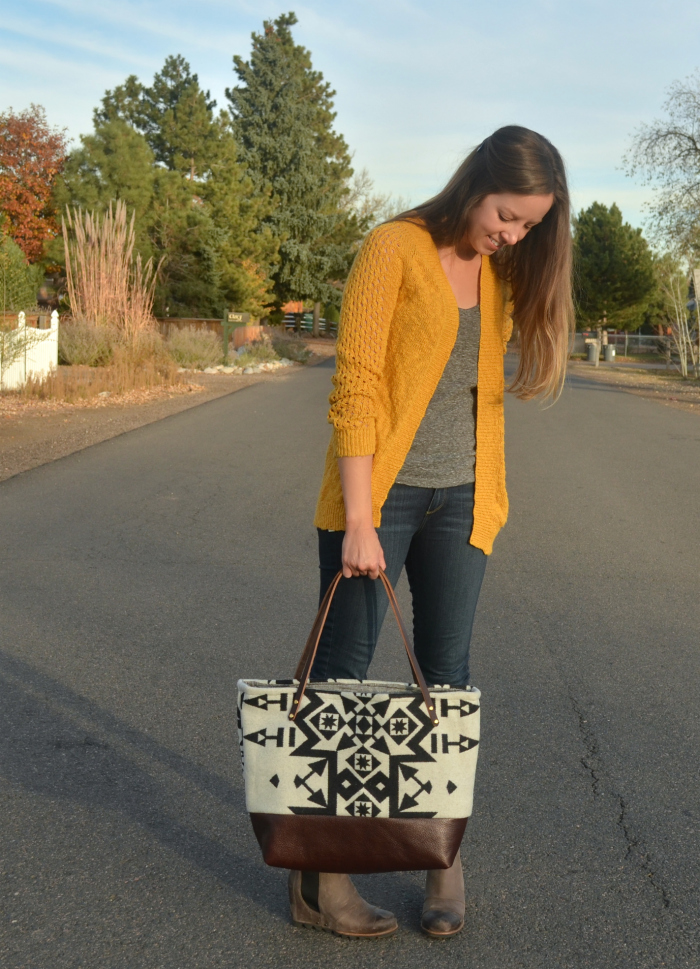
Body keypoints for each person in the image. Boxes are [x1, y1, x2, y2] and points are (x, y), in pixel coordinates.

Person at [288, 125, 574, 938]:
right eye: (507, 215)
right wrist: (359, 517)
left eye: (528, 225)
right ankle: (320, 873)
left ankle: (441, 855)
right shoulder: (394, 248)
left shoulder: (504, 273)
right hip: (382, 500)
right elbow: (357, 384)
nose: (512, 233)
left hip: (466, 501)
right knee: (341, 678)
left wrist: (526, 260)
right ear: (476, 180)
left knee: (446, 680)